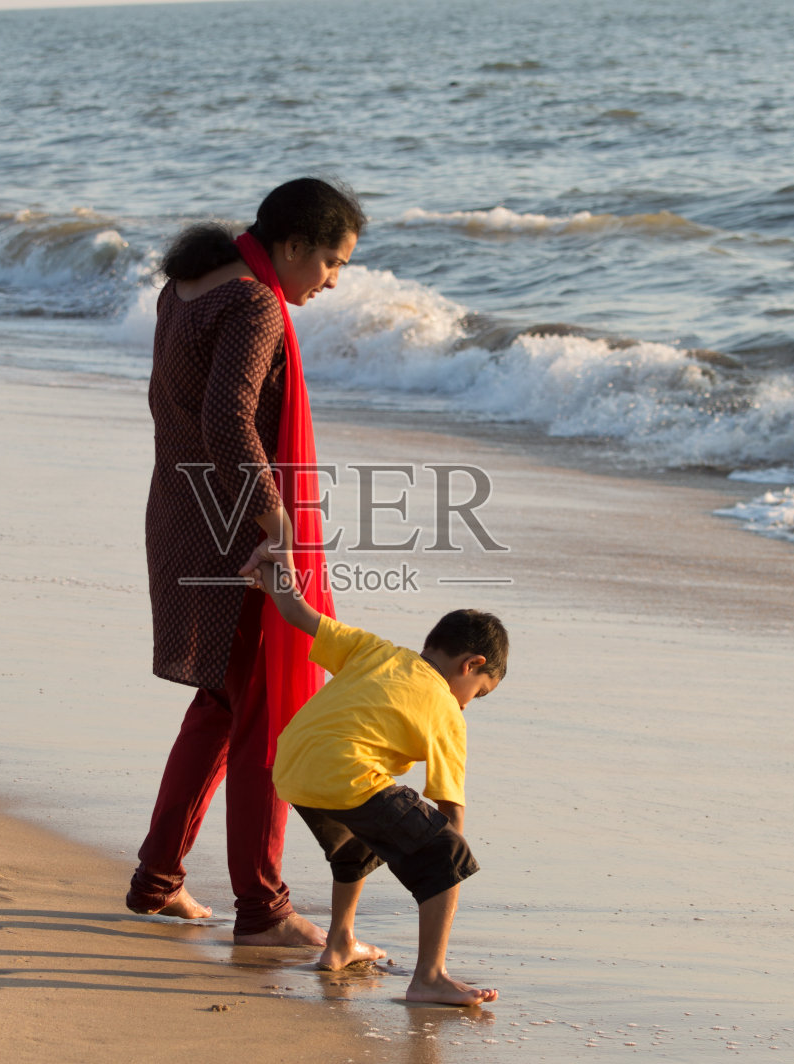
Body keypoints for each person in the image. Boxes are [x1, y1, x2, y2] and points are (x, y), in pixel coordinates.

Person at [126, 178, 365, 946]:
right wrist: (274, 521)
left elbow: (172, 405)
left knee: (223, 706)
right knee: (261, 718)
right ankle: (262, 909)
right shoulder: (254, 304)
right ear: (292, 246)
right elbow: (230, 418)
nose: (333, 280)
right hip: (235, 532)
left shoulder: (189, 285)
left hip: (182, 512)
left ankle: (158, 881)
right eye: (330, 261)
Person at [250, 554, 507, 1006]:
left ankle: (340, 942)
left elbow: (294, 609)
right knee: (447, 852)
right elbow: (451, 808)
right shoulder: (447, 709)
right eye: (479, 692)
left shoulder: (377, 649)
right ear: (471, 664)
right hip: (345, 772)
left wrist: (271, 562)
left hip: (293, 763)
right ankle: (429, 977)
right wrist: (447, 866)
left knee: (356, 843)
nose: (468, 704)